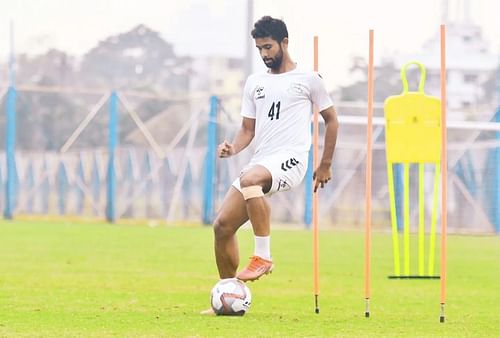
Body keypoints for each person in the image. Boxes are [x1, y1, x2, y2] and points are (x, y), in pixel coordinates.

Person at [207, 15, 338, 307]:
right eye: (260, 49)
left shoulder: (309, 79)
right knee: (222, 226)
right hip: (261, 160)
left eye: (268, 47)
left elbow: (332, 120)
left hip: (291, 159)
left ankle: (263, 256)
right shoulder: (255, 83)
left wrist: (325, 163)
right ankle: (229, 295)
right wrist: (234, 148)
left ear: (284, 42)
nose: (265, 54)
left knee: (251, 179)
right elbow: (247, 130)